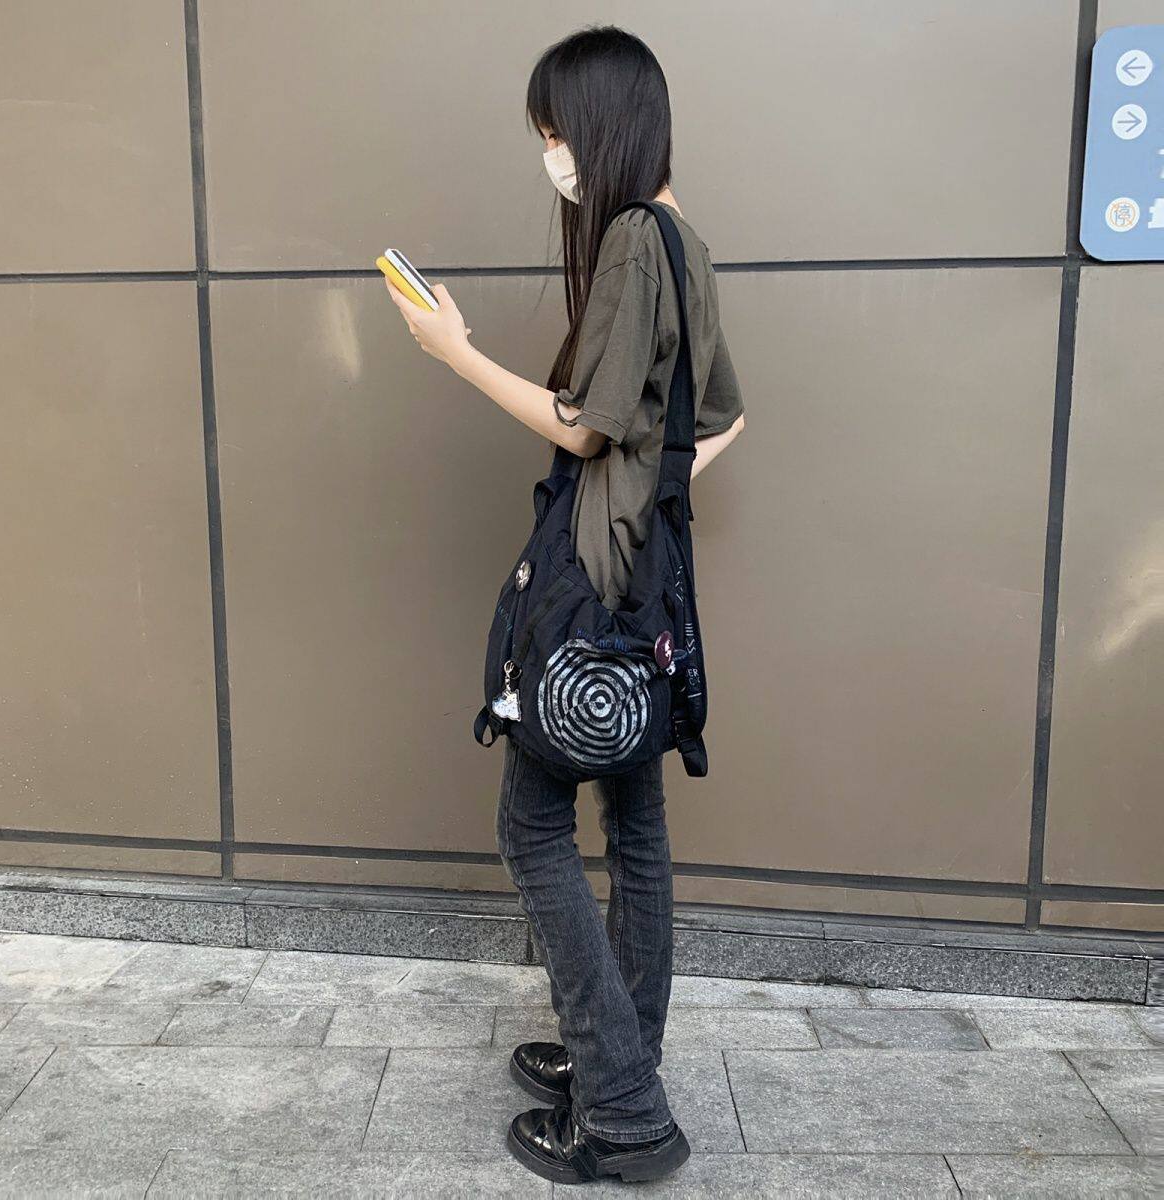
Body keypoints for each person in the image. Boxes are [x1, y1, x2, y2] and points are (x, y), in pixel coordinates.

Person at [383, 24, 745, 1186]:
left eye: (554, 132)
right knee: (634, 826)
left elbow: (586, 432)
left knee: (532, 829)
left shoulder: (632, 239)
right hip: (647, 586)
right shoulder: (686, 241)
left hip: (591, 581)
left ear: (596, 126)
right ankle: (619, 1054)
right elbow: (724, 417)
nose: (551, 155)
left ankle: (623, 1111)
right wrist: (652, 492)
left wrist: (453, 352)